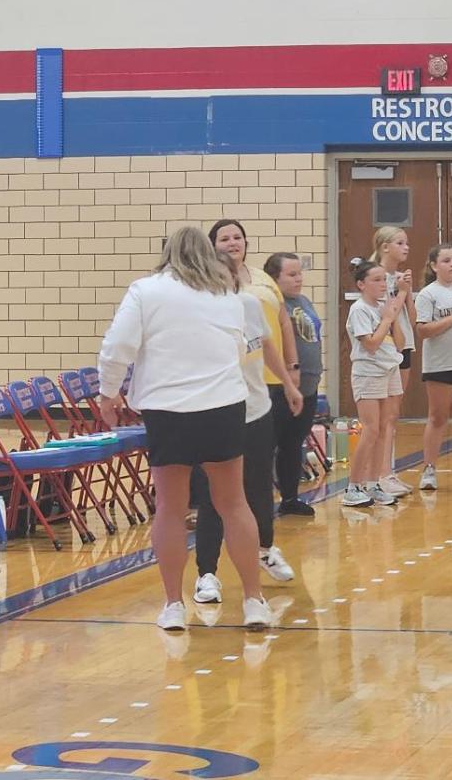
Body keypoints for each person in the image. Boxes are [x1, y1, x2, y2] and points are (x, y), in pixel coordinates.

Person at [97, 227, 271, 632]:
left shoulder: (145, 290)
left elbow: (117, 345)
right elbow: (241, 348)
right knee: (234, 503)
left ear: (167, 253)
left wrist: (108, 393)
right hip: (223, 406)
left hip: (167, 408)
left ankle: (174, 605)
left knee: (171, 508)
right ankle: (253, 600)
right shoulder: (228, 297)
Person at [193, 252, 303, 607]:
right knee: (216, 496)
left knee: (258, 489)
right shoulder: (199, 315)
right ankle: (206, 574)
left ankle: (265, 550)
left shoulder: (250, 306)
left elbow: (268, 346)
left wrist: (288, 383)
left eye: (230, 273)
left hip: (257, 410)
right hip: (218, 414)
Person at [208, 220, 307, 512]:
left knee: (265, 453)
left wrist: (292, 367)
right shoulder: (205, 291)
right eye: (224, 238)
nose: (232, 242)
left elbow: (281, 323)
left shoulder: (262, 279)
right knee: (227, 456)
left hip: (268, 378)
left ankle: (269, 509)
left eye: (238, 237)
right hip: (228, 387)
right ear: (212, 246)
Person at [264, 253, 324, 516]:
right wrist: (291, 372)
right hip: (281, 386)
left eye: (300, 273)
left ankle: (290, 498)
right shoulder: (273, 305)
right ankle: (262, 502)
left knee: (293, 443)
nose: (299, 279)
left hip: (308, 385)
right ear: (274, 278)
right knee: (270, 444)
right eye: (292, 274)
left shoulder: (303, 301)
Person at [343, 259, 406, 508]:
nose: (382, 284)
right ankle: (353, 486)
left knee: (383, 428)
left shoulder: (383, 307)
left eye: (384, 279)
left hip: (390, 368)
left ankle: (373, 483)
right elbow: (370, 344)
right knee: (370, 429)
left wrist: (394, 316)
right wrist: (386, 320)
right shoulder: (359, 310)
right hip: (369, 371)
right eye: (376, 280)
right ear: (361, 284)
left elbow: (400, 343)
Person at [415, 245, 452, 492]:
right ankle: (429, 469)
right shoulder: (428, 294)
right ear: (433, 266)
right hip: (440, 364)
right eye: (447, 260)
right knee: (438, 416)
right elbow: (423, 330)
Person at [370, 228, 416, 497]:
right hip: (384, 348)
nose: (406, 247)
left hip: (404, 344)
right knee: (383, 416)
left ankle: (388, 471)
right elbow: (385, 313)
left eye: (407, 243)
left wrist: (407, 292)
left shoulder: (401, 279)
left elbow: (411, 316)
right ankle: (379, 473)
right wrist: (399, 292)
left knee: (394, 414)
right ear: (385, 247)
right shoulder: (375, 275)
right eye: (400, 243)